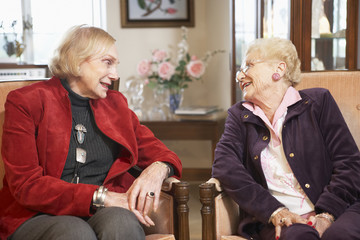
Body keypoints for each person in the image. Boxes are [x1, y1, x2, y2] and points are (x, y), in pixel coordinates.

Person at [0, 25, 182, 240]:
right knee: (75, 232)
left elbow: (162, 154)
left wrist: (157, 170)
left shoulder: (116, 106)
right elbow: (26, 185)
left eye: (116, 65)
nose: (115, 75)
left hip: (99, 212)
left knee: (123, 222)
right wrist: (102, 197)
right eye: (107, 62)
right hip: (36, 215)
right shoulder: (27, 102)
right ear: (77, 60)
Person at [212, 38, 360, 240]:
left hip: (339, 209)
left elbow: (349, 164)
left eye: (249, 65)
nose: (240, 75)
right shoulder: (240, 117)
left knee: (339, 235)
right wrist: (274, 211)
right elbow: (224, 165)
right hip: (281, 220)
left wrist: (326, 214)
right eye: (240, 69)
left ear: (279, 69)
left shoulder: (318, 103)